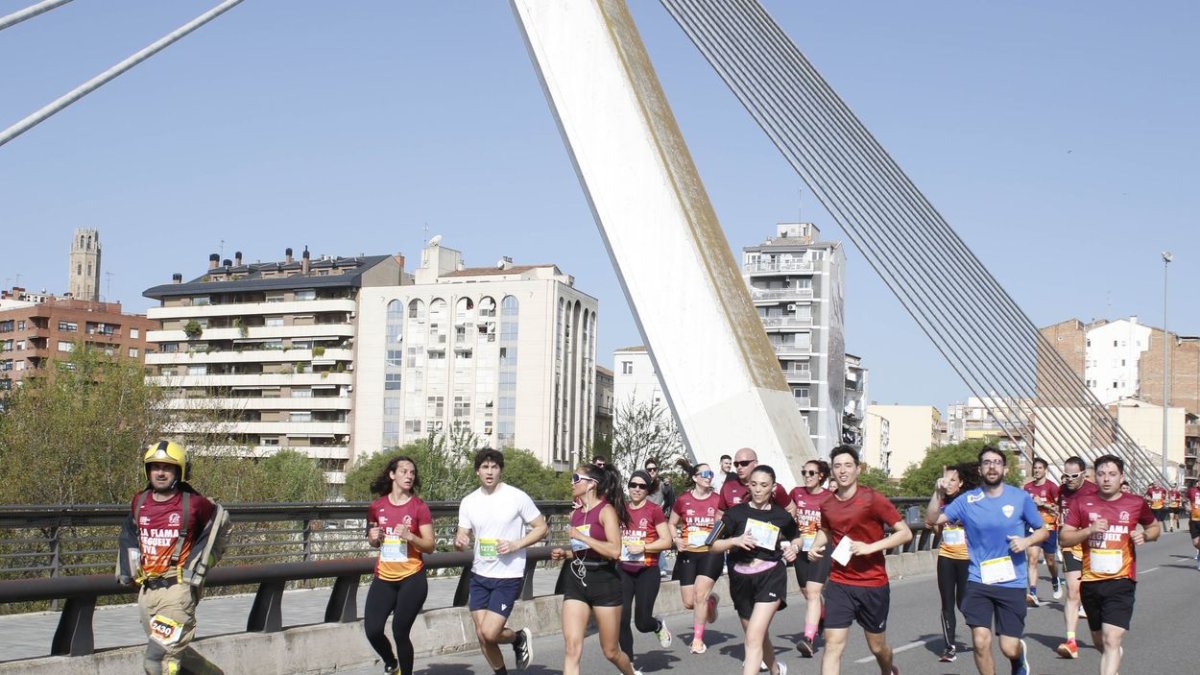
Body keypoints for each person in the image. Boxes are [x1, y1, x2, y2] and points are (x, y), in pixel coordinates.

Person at [117, 441, 227, 675]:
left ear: (180, 471)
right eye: (155, 467)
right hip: (147, 592)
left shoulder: (195, 504)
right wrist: (129, 570)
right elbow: (129, 535)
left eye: (167, 467)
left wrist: (202, 565)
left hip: (177, 592)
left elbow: (221, 526)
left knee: (157, 661)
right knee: (178, 654)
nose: (160, 473)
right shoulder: (140, 501)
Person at [933, 445, 1044, 675]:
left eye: (997, 462)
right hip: (978, 580)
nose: (992, 467)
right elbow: (933, 519)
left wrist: (1026, 541)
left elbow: (1043, 530)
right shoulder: (968, 500)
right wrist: (937, 493)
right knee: (981, 641)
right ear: (980, 470)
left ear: (1005, 468)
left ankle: (1018, 658)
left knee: (1008, 647)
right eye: (986, 462)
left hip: (1011, 582)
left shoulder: (1020, 498)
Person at [808, 445, 911, 675]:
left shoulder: (872, 499)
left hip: (872, 583)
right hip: (839, 581)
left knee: (877, 647)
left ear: (858, 469)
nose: (842, 470)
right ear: (832, 472)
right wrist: (815, 546)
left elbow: (905, 533)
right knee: (833, 645)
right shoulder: (827, 504)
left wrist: (870, 547)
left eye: (848, 465)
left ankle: (888, 670)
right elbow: (826, 530)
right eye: (837, 466)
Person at [1060, 455, 1160, 675]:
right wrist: (1089, 530)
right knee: (1100, 641)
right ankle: (1112, 661)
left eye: (1112, 474)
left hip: (1121, 581)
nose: (1106, 479)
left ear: (1121, 477)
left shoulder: (1135, 503)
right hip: (1090, 582)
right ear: (1094, 477)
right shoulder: (1081, 503)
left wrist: (1145, 535)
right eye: (1102, 474)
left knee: (1111, 639)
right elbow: (1064, 538)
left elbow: (1154, 527)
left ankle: (1111, 657)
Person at [455, 448, 549, 674]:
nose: (489, 472)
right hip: (479, 575)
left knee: (490, 633)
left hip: (508, 576)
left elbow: (542, 528)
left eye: (494, 467)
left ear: (501, 470)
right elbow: (462, 536)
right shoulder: (469, 501)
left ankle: (517, 637)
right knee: (482, 635)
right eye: (485, 467)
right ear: (477, 471)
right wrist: (460, 541)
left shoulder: (516, 497)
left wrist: (516, 544)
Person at [710, 465, 803, 675]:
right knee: (757, 635)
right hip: (741, 579)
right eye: (754, 484)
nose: (758, 490)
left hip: (771, 576)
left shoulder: (781, 515)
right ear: (748, 486)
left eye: (764, 485)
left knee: (752, 638)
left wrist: (794, 549)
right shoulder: (734, 513)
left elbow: (797, 538)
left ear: (773, 487)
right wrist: (735, 541)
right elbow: (712, 545)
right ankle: (776, 670)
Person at [550, 464, 641, 675]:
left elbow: (615, 550)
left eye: (576, 478)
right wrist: (566, 553)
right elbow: (583, 552)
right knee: (572, 648)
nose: (572, 482)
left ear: (592, 484)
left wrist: (583, 537)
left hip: (605, 582)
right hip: (577, 581)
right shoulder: (575, 514)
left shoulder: (606, 511)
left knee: (611, 651)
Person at [364, 455, 435, 675]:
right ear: (392, 475)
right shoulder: (377, 506)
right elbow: (374, 540)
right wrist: (373, 538)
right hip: (384, 577)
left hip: (412, 577)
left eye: (412, 472)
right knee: (373, 630)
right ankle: (391, 663)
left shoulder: (419, 507)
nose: (409, 476)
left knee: (400, 631)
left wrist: (411, 537)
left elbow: (430, 546)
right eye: (404, 471)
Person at [618, 469, 674, 667]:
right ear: (628, 487)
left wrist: (643, 547)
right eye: (633, 485)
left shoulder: (654, 510)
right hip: (623, 571)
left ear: (648, 490)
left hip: (647, 571)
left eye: (642, 486)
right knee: (621, 620)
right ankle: (629, 666)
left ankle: (657, 625)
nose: (637, 489)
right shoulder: (620, 510)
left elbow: (666, 541)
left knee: (642, 623)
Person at [924, 462, 979, 663]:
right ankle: (950, 647)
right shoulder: (941, 501)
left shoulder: (969, 501)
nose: (948, 483)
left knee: (963, 603)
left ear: (961, 482)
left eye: (952, 480)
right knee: (946, 602)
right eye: (945, 479)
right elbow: (932, 525)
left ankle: (979, 634)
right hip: (946, 556)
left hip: (966, 558)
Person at [670, 459, 724, 653]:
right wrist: (676, 539)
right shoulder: (683, 500)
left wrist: (717, 537)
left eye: (711, 474)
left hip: (710, 553)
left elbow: (723, 524)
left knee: (699, 595)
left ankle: (697, 640)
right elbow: (671, 523)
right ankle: (711, 603)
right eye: (705, 474)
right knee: (689, 602)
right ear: (695, 478)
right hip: (688, 553)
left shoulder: (718, 500)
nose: (709, 477)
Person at [1055, 456, 1098, 659]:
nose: (1069, 479)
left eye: (1074, 476)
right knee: (1072, 591)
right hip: (1071, 545)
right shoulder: (1061, 490)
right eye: (1066, 475)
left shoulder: (1094, 491)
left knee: (1094, 593)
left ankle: (1104, 633)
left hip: (1093, 546)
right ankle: (1071, 641)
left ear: (1083, 474)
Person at [788, 459, 833, 658]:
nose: (807, 476)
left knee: (814, 593)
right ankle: (821, 617)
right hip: (801, 549)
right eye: (804, 472)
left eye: (811, 473)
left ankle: (808, 639)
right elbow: (788, 514)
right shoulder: (796, 493)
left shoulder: (829, 497)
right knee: (807, 592)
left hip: (821, 550)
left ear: (821, 475)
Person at [1022, 458, 1061, 606]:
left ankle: (1055, 578)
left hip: (1049, 527)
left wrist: (1042, 504)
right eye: (1035, 468)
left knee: (1050, 561)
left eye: (1040, 468)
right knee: (1032, 559)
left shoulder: (1052, 487)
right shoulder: (1027, 487)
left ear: (1045, 470)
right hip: (1032, 528)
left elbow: (1058, 509)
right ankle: (1033, 593)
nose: (1037, 470)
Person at [720, 447, 792, 510]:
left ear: (755, 464)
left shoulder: (773, 488)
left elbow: (791, 509)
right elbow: (720, 513)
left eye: (744, 463)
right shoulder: (727, 487)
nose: (739, 467)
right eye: (736, 464)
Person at [1186, 481, 1200, 571]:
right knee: (1195, 543)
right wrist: (1187, 507)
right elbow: (1186, 500)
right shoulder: (1192, 491)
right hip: (1194, 520)